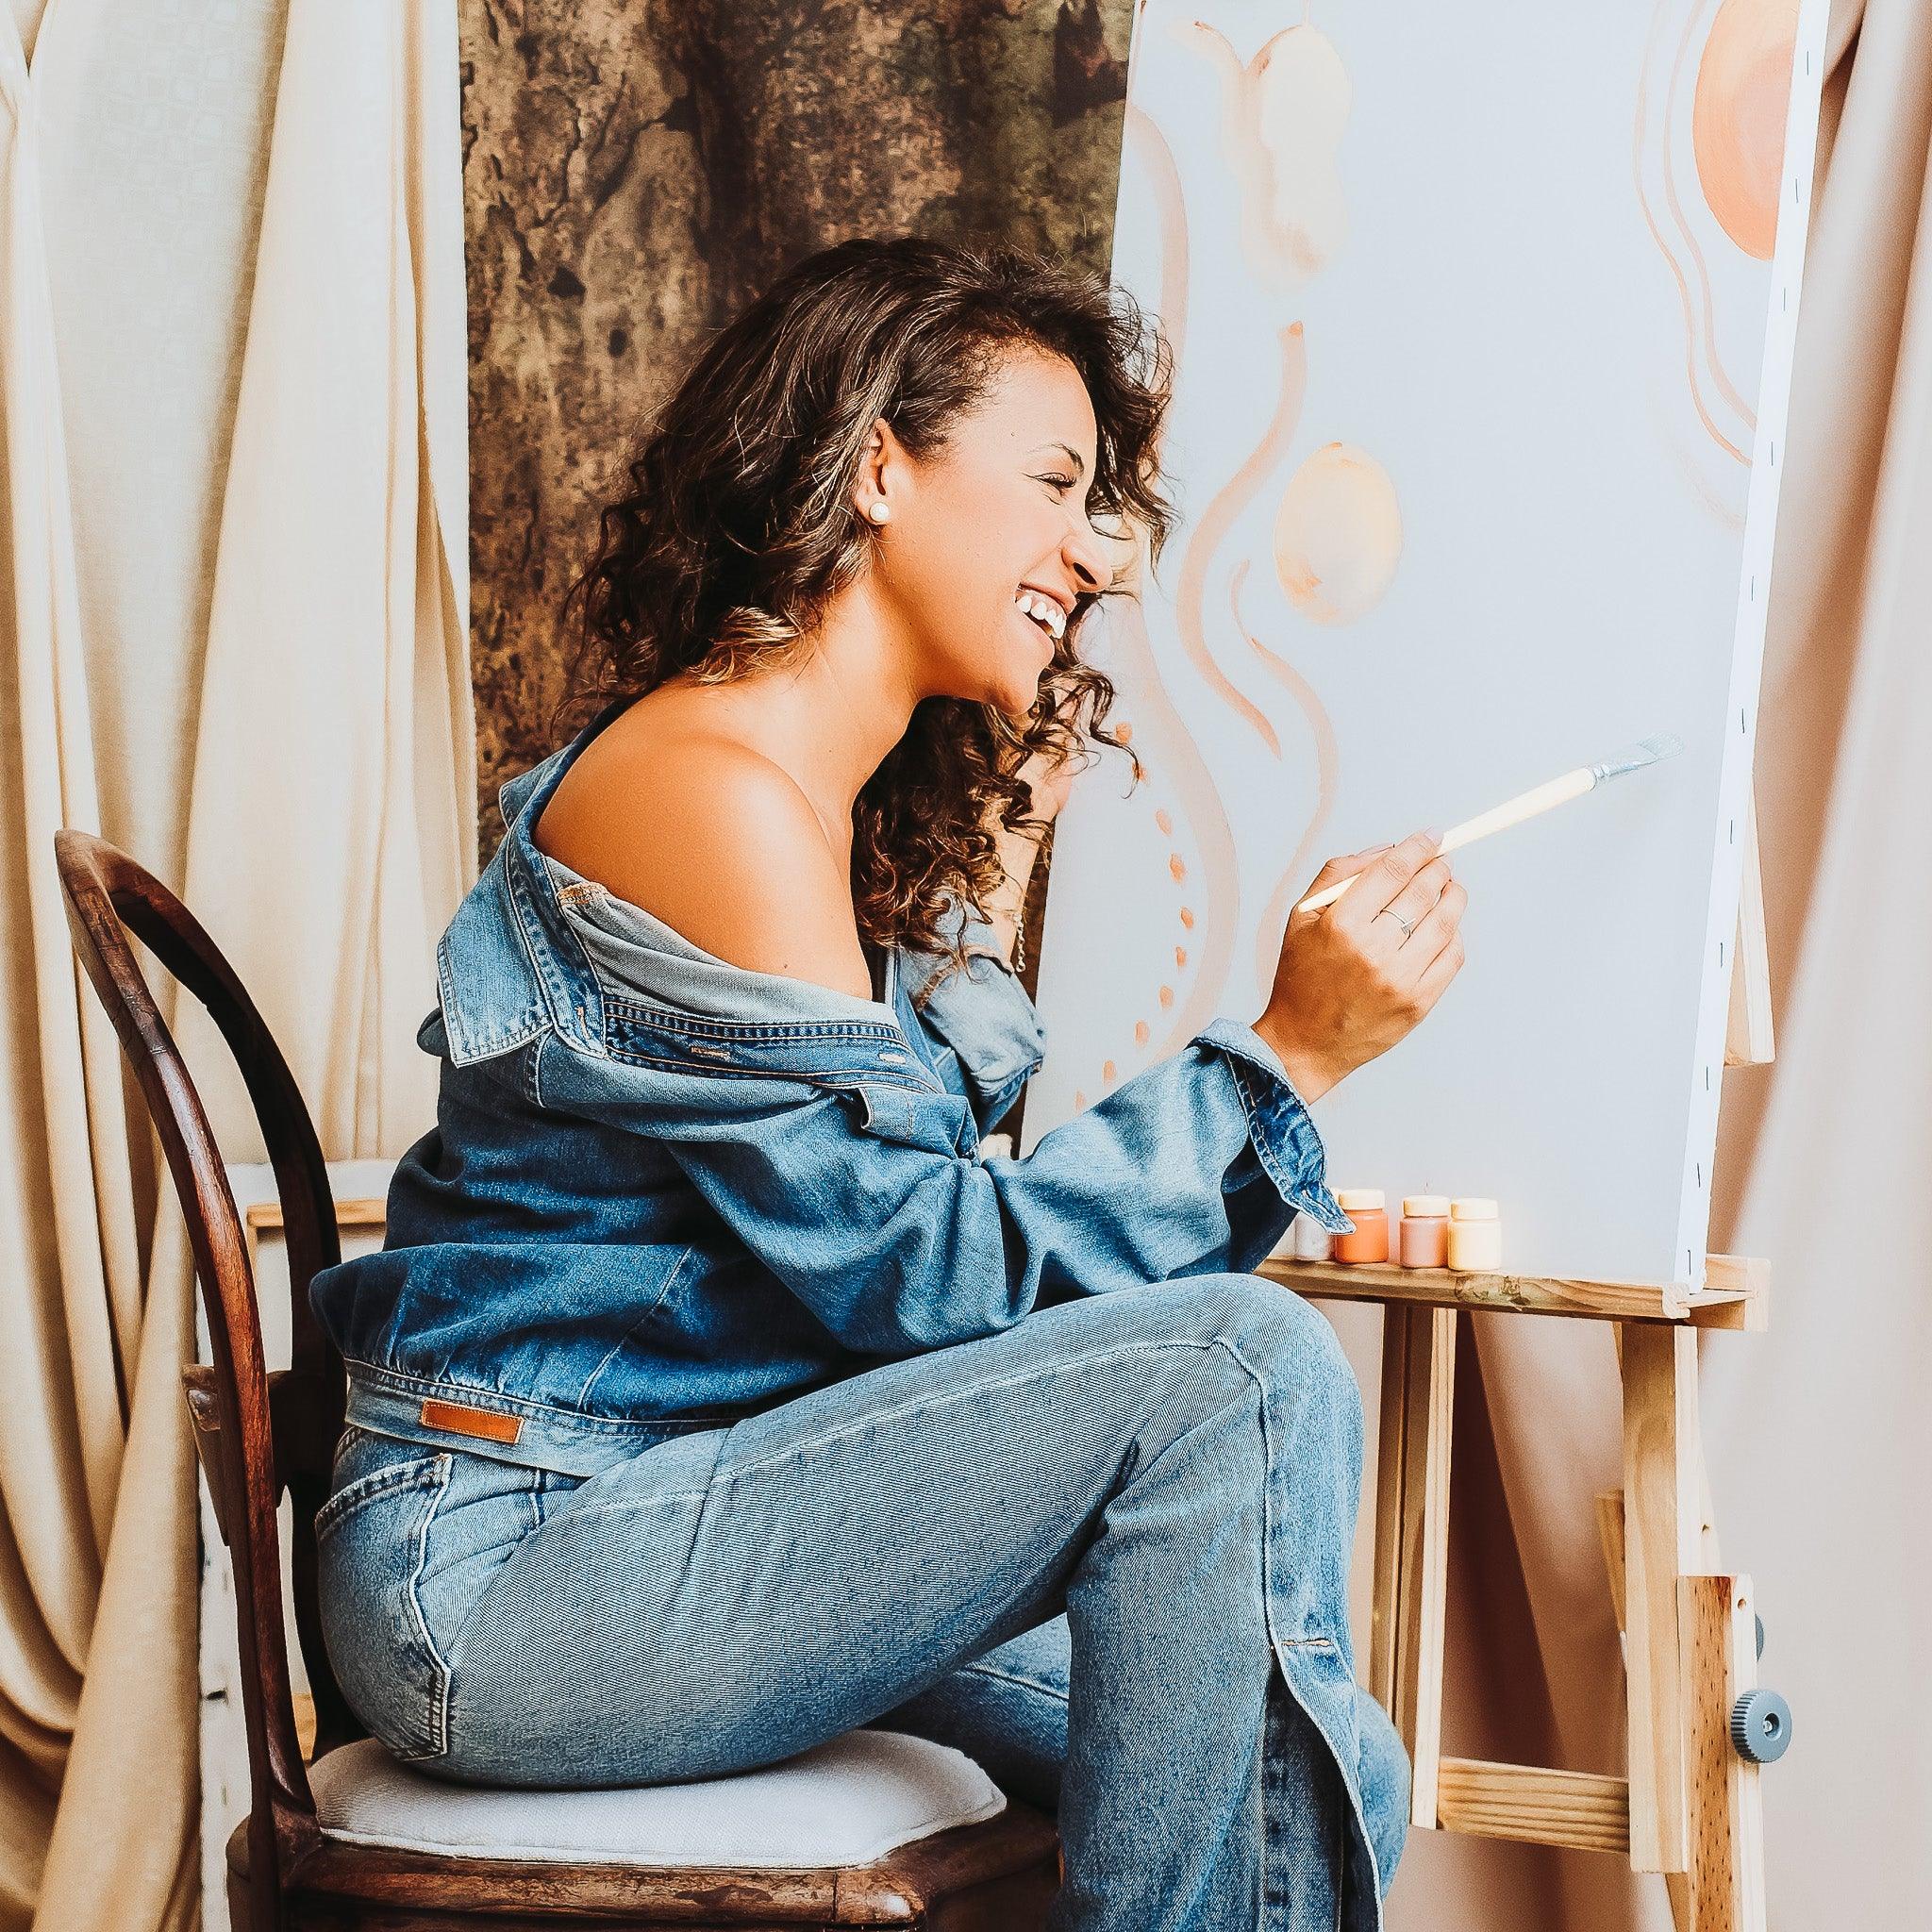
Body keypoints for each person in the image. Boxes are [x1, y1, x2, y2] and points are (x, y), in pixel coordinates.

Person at [309, 235, 1466, 1932]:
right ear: (879, 468)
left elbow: (910, 1258)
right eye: (1057, 483)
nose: (1094, 552)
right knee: (1235, 1364)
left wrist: (985, 870)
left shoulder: (804, 809)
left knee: (1320, 1754)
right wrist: (1284, 1058)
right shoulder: (713, 791)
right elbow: (934, 1288)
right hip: (505, 1562)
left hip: (669, 1506)